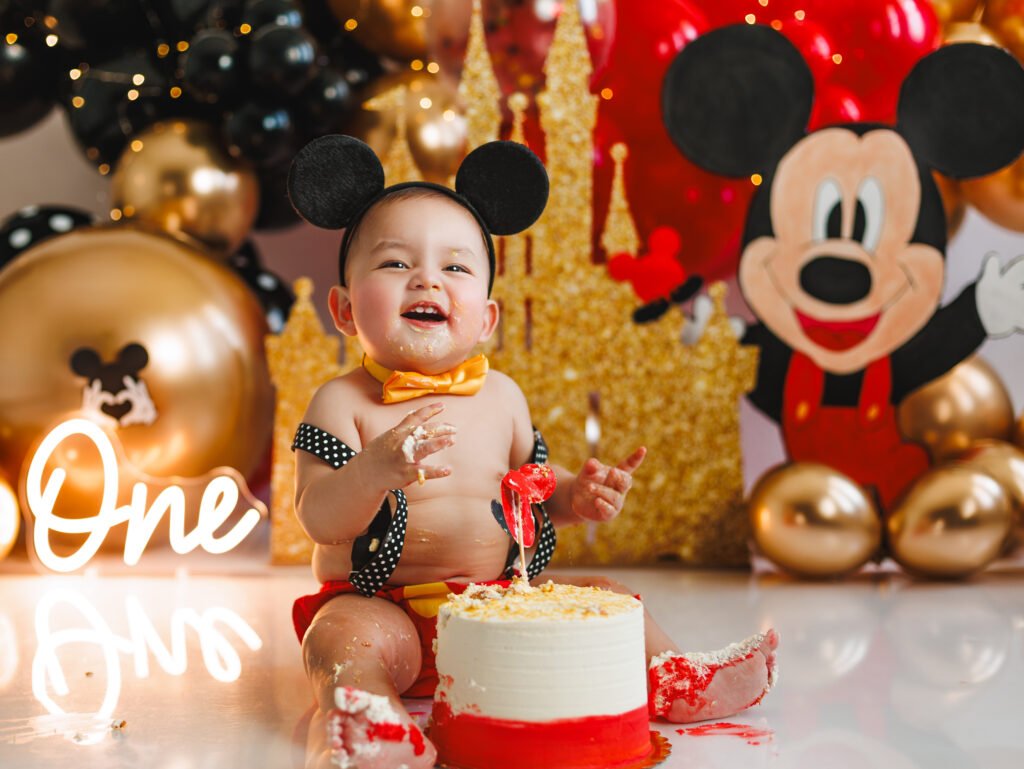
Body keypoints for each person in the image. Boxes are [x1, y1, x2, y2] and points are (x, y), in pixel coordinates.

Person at [287, 135, 778, 769]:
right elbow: (319, 517)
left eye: (455, 267)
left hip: (499, 606)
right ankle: (365, 714)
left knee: (606, 596)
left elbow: (533, 487)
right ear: (346, 310)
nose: (427, 278)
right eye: (394, 263)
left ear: (487, 318)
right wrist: (375, 470)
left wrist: (578, 495)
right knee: (341, 638)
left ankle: (670, 676)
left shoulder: (503, 397)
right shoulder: (341, 402)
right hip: (388, 613)